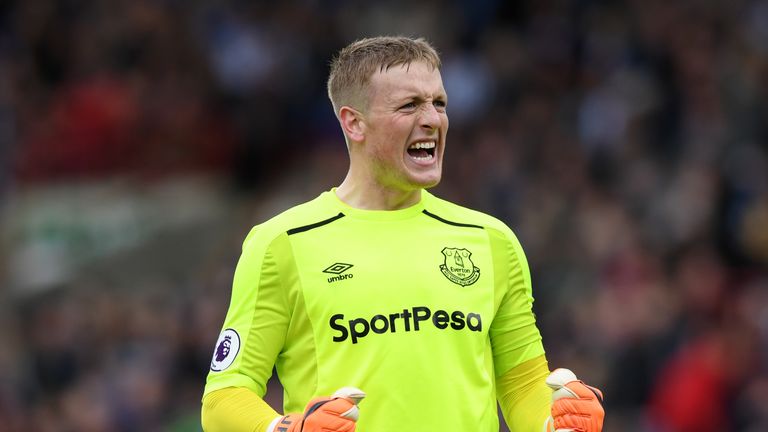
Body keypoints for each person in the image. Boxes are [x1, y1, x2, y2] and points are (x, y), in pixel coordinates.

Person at [201, 36, 604, 432]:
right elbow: (224, 396)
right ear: (353, 122)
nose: (432, 119)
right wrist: (285, 429)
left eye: (439, 103)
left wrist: (556, 421)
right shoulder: (283, 243)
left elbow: (521, 384)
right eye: (410, 105)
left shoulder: (490, 240)